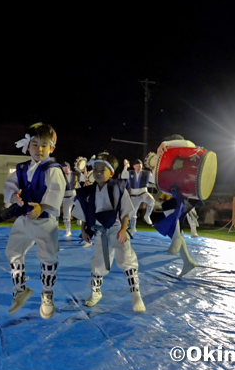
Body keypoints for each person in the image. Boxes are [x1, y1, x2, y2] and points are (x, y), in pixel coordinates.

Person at [4, 123, 66, 319]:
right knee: (13, 252)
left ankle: (47, 294)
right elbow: (10, 185)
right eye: (35, 144)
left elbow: (56, 190)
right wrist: (14, 196)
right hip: (24, 219)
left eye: (44, 145)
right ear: (27, 145)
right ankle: (21, 288)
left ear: (51, 148)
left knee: (48, 256)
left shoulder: (53, 169)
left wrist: (43, 206)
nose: (39, 149)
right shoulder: (21, 168)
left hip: (45, 221)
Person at [73, 153, 145, 313]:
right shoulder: (88, 192)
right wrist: (83, 230)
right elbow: (84, 213)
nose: (97, 172)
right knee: (98, 262)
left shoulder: (119, 188)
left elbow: (126, 212)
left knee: (127, 258)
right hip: (100, 230)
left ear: (111, 173)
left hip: (116, 227)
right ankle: (95, 292)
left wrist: (123, 230)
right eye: (95, 169)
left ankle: (136, 294)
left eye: (102, 169)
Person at [151, 134, 203, 277]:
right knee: (174, 223)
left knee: (170, 212)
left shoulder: (189, 149)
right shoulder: (176, 164)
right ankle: (187, 261)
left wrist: (165, 142)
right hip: (183, 197)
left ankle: (178, 241)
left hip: (190, 195)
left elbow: (188, 143)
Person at [120, 159, 155, 234]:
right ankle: (133, 228)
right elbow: (123, 176)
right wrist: (126, 166)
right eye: (137, 165)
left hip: (143, 193)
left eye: (140, 165)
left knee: (151, 201)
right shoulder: (131, 173)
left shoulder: (146, 173)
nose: (138, 167)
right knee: (132, 213)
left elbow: (153, 180)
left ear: (142, 166)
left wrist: (154, 169)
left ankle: (147, 215)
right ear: (134, 166)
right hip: (134, 195)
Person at [61, 161, 79, 237]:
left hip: (75, 195)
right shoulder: (61, 176)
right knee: (66, 214)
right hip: (66, 196)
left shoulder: (75, 174)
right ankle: (68, 231)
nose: (66, 169)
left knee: (82, 208)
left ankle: (79, 219)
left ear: (69, 167)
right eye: (64, 168)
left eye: (67, 167)